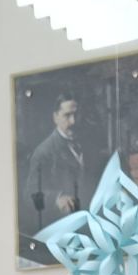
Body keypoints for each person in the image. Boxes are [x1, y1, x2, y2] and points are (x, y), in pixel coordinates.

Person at [24, 92, 89, 234]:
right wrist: (57, 199)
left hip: (89, 224)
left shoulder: (88, 143)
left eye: (76, 115)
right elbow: (30, 195)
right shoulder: (43, 152)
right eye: (67, 115)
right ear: (55, 117)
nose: (73, 121)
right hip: (60, 229)